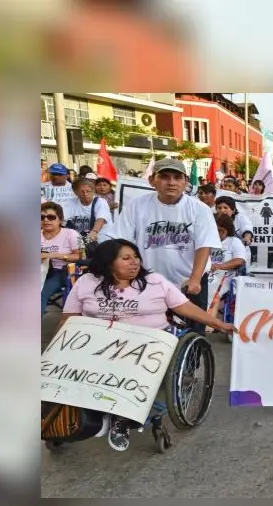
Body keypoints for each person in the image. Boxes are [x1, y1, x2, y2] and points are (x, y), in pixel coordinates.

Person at [59, 239, 235, 451]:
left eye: (136, 257)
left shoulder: (154, 281)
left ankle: (121, 418)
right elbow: (68, 319)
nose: (134, 262)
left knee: (125, 365)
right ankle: (84, 415)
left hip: (147, 343)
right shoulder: (87, 282)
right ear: (107, 263)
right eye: (126, 258)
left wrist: (219, 324)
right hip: (99, 343)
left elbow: (186, 308)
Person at [111, 158, 222, 334]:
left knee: (193, 332)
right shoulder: (137, 206)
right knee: (149, 331)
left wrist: (194, 279)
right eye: (164, 177)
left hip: (189, 281)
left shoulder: (199, 209)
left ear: (186, 182)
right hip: (149, 280)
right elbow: (121, 242)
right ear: (151, 180)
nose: (171, 182)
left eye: (177, 177)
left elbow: (204, 246)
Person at [41, 202, 82, 313]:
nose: (46, 220)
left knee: (39, 293)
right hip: (40, 271)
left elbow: (81, 257)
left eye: (51, 217)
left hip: (62, 272)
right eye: (42, 217)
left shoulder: (71, 233)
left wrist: (52, 255)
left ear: (60, 220)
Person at [61, 177, 112, 257]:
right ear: (75, 192)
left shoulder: (100, 202)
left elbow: (101, 219)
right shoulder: (70, 203)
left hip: (100, 240)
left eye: (88, 191)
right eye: (82, 191)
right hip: (81, 241)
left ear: (93, 191)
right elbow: (62, 221)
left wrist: (94, 231)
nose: (85, 194)